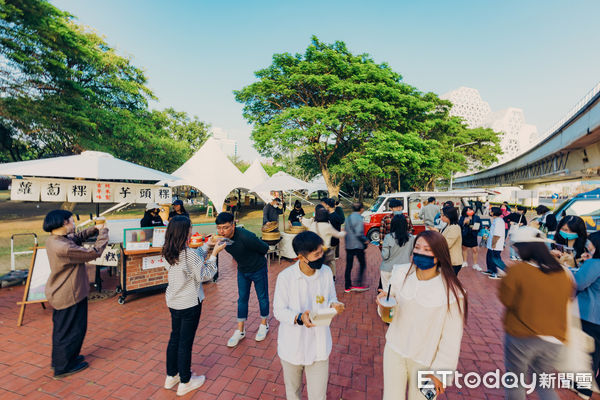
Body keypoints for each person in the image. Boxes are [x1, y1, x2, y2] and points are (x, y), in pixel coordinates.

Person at [376, 230, 467, 400]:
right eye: (417, 247)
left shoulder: (452, 292)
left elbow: (451, 338)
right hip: (394, 350)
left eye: (427, 249)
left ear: (439, 255)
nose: (420, 252)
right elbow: (388, 313)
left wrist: (440, 374)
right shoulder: (400, 273)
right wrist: (383, 305)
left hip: (426, 361)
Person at [499, 226, 574, 400]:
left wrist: (506, 278)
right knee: (544, 383)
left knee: (515, 381)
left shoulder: (518, 270)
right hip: (554, 338)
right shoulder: (563, 273)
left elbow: (507, 300)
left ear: (525, 248)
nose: (516, 250)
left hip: (522, 336)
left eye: (517, 247)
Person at [273, 231, 345, 400]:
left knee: (318, 396)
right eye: (316, 254)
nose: (322, 256)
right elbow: (279, 310)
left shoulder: (326, 272)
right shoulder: (285, 278)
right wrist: (299, 318)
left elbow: (331, 298)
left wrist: (334, 305)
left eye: (322, 252)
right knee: (293, 393)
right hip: (292, 346)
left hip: (319, 346)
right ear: (301, 257)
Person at [161, 216, 226, 396]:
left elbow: (193, 260)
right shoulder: (188, 253)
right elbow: (205, 274)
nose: (192, 230)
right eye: (190, 228)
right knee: (185, 342)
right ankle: (185, 381)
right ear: (184, 231)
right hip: (189, 303)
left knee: (175, 338)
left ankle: (171, 375)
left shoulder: (168, 250)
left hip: (174, 301)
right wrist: (214, 254)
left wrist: (207, 245)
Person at [43, 210, 109, 378]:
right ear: (64, 223)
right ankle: (63, 367)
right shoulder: (63, 247)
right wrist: (103, 232)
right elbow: (94, 252)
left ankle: (62, 360)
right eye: (72, 221)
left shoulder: (57, 239)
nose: (74, 224)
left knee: (63, 330)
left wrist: (94, 229)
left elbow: (77, 238)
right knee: (72, 330)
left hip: (65, 292)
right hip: (68, 294)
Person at [215, 212, 271, 347]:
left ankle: (264, 324)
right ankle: (240, 330)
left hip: (258, 268)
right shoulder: (223, 238)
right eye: (219, 227)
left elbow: (264, 248)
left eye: (225, 227)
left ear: (233, 225)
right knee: (242, 299)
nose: (222, 231)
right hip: (242, 270)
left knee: (262, 297)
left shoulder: (246, 236)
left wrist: (252, 258)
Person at [572, 231, 600, 398]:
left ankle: (583, 389)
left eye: (590, 244)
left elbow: (579, 283)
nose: (588, 246)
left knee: (586, 353)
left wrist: (583, 264)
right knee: (597, 353)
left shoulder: (595, 263)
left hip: (590, 315)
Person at [301, 205, 346, 278]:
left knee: (319, 267)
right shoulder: (327, 225)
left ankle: (320, 279)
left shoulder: (313, 225)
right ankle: (332, 277)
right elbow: (338, 234)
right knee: (331, 263)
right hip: (327, 250)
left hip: (317, 251)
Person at [380, 214, 415, 291]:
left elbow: (385, 256)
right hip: (403, 269)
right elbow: (411, 253)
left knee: (387, 293)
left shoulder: (388, 237)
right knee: (400, 292)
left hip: (388, 269)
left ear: (393, 224)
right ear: (405, 225)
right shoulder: (411, 238)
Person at [344, 202, 370, 293]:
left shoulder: (348, 218)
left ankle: (347, 286)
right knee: (362, 264)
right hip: (358, 245)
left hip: (348, 245)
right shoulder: (359, 218)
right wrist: (365, 240)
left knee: (349, 266)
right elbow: (359, 233)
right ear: (361, 209)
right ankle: (359, 283)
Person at [439, 206, 463, 276]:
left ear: (449, 216)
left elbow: (447, 244)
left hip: (453, 262)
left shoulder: (454, 227)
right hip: (448, 261)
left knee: (450, 283)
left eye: (443, 215)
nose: (441, 217)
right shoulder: (448, 225)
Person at [484, 207, 506, 280]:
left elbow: (497, 234)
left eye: (491, 211)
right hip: (492, 245)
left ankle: (498, 273)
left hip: (496, 245)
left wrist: (494, 244)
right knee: (489, 258)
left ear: (494, 212)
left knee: (495, 259)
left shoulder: (499, 221)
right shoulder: (495, 220)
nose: (490, 212)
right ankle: (490, 270)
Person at [459, 206, 482, 271]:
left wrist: (477, 228)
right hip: (465, 235)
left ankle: (475, 264)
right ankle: (465, 262)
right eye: (468, 210)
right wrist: (464, 222)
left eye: (470, 210)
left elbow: (480, 225)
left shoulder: (476, 217)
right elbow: (459, 225)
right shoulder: (462, 217)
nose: (470, 211)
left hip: (473, 235)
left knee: (475, 250)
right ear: (465, 211)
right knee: (464, 248)